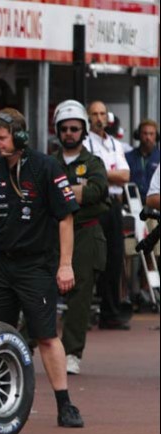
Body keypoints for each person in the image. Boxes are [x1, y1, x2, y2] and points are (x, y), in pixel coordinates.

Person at [0, 107, 83, 428]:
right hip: (0, 266)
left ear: (19, 136)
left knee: (46, 336)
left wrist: (65, 265)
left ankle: (65, 404)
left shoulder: (47, 167)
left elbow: (65, 218)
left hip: (36, 265)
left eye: (1, 138)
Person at [51, 100, 109, 375]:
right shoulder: (49, 163)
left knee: (80, 296)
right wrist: (77, 192)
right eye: (65, 128)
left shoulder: (93, 162)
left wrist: (63, 193)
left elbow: (99, 191)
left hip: (86, 235)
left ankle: (72, 353)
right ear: (58, 130)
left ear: (83, 130)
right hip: (54, 234)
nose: (69, 133)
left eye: (75, 128)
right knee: (39, 289)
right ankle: (24, 341)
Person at [86, 101, 131, 330]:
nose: (99, 118)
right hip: (94, 204)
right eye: (94, 114)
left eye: (102, 113)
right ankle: (82, 313)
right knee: (91, 259)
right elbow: (92, 177)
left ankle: (110, 313)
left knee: (115, 258)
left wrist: (104, 173)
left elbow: (125, 176)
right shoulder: (85, 144)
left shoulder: (114, 143)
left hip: (114, 205)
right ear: (88, 116)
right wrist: (107, 174)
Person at [126, 119, 160, 203]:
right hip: (131, 202)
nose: (148, 137)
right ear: (138, 135)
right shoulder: (127, 157)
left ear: (157, 136)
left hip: (153, 203)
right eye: (145, 133)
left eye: (151, 134)